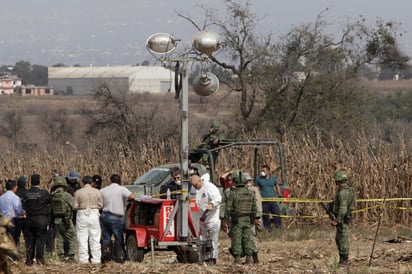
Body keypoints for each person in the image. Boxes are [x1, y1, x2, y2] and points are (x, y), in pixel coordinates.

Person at [223, 170, 259, 264]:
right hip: (247, 220)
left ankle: (237, 259)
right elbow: (254, 208)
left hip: (237, 221)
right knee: (247, 239)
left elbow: (228, 208)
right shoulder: (251, 193)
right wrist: (252, 219)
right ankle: (249, 259)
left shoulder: (233, 193)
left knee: (237, 239)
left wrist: (225, 220)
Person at [100, 174, 135, 263]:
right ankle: (120, 256)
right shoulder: (121, 189)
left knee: (105, 237)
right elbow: (132, 196)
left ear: (110, 181)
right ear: (119, 181)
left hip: (105, 215)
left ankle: (105, 256)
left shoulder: (103, 190)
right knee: (118, 237)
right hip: (116, 217)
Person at [190, 174, 222, 265]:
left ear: (200, 181)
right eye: (193, 186)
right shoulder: (194, 190)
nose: (195, 187)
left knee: (212, 239)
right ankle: (204, 258)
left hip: (211, 218)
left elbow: (218, 198)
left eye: (196, 185)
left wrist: (212, 204)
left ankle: (213, 258)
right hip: (201, 219)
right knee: (203, 240)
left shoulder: (210, 187)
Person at [72, 175, 103, 264]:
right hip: (94, 213)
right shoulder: (97, 192)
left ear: (83, 182)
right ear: (92, 183)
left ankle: (83, 259)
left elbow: (74, 206)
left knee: (82, 238)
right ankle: (96, 259)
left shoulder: (78, 192)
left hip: (82, 214)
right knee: (95, 238)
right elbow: (101, 205)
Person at [22, 174, 51, 266]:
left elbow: (23, 205)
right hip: (41, 219)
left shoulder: (26, 194)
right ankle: (40, 260)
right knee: (40, 240)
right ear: (39, 181)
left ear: (30, 182)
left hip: (29, 220)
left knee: (29, 240)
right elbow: (49, 201)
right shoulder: (44, 193)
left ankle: (29, 260)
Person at [330, 169, 356, 266]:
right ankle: (342, 259)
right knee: (339, 238)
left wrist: (337, 220)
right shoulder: (345, 190)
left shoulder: (343, 193)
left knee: (342, 238)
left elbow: (343, 208)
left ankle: (344, 260)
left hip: (342, 218)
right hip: (342, 217)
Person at [50, 176, 76, 262]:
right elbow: (74, 206)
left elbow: (50, 209)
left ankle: (60, 256)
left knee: (60, 237)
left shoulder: (52, 196)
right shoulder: (66, 195)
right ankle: (71, 256)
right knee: (72, 236)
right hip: (66, 219)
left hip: (57, 220)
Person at [255, 165, 282, 232]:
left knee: (276, 213)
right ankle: (268, 228)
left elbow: (277, 186)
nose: (262, 172)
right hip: (264, 201)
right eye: (261, 170)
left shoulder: (273, 178)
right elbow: (255, 188)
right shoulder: (258, 179)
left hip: (272, 200)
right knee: (265, 215)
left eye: (264, 170)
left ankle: (278, 227)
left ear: (268, 171)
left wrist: (279, 195)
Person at [0, 179, 25, 246]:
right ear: (14, 187)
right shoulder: (15, 197)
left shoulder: (1, 197)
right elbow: (19, 210)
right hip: (13, 221)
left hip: (3, 220)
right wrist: (25, 212)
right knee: (13, 240)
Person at [15, 176, 29, 247]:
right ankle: (28, 252)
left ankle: (14, 253)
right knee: (27, 237)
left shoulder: (14, 193)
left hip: (16, 218)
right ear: (25, 184)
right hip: (26, 217)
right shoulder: (28, 193)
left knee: (16, 237)